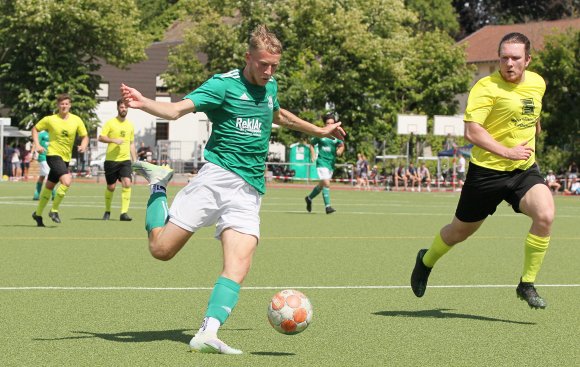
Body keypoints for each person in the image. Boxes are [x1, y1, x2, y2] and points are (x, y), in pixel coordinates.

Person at [120, 25, 345, 355]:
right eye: (263, 64)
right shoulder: (223, 85)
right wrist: (145, 102)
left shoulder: (270, 87)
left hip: (249, 190)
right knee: (161, 250)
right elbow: (177, 110)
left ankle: (207, 332)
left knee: (239, 264)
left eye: (274, 66)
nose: (268, 71)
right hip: (215, 180)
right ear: (248, 57)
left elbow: (278, 114)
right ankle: (157, 185)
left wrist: (320, 131)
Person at [410, 32, 554, 309]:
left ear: (528, 60)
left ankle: (527, 283)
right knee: (458, 233)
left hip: (523, 171)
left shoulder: (537, 83)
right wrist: (507, 150)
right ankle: (425, 260)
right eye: (504, 58)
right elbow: (472, 132)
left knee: (546, 215)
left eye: (515, 58)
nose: (509, 63)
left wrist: (534, 129)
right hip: (486, 173)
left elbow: (533, 112)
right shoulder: (485, 87)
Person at [31, 93, 89, 226]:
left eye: (66, 103)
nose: (64, 106)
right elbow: (35, 129)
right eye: (62, 104)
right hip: (53, 155)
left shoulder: (76, 120)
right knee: (67, 181)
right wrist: (38, 145)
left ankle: (38, 214)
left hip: (66, 158)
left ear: (70, 105)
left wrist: (84, 145)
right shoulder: (50, 119)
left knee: (50, 185)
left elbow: (85, 136)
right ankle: (54, 210)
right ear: (58, 105)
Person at [98, 99, 137, 221]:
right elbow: (101, 137)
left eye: (125, 107)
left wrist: (134, 160)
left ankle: (123, 213)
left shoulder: (130, 125)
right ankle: (107, 211)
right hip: (111, 160)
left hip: (125, 161)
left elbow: (131, 144)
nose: (123, 109)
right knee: (111, 187)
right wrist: (113, 140)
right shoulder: (110, 123)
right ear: (118, 108)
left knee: (127, 182)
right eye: (121, 107)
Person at [304, 112, 345, 214]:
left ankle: (309, 198)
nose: (330, 125)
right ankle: (328, 207)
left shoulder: (336, 135)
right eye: (327, 123)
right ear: (325, 124)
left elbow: (341, 145)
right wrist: (313, 155)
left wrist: (340, 151)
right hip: (321, 162)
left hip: (331, 163)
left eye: (332, 123)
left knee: (322, 185)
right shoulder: (321, 133)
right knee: (326, 183)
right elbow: (312, 144)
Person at [32, 130, 56, 200]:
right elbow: (36, 143)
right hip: (43, 157)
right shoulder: (42, 134)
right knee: (50, 175)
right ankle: (54, 194)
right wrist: (32, 153)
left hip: (52, 156)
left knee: (42, 176)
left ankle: (37, 194)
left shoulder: (54, 132)